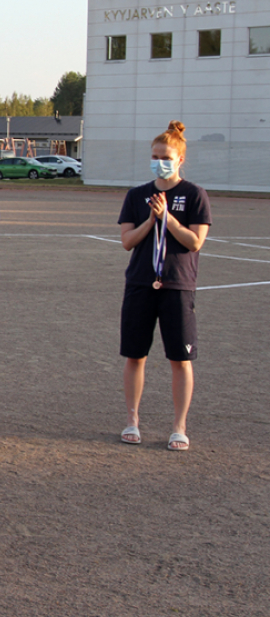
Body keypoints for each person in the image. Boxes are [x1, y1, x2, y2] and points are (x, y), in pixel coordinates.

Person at [117, 121, 211, 451]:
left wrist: (168, 218)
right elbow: (127, 241)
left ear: (180, 158)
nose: (160, 161)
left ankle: (179, 426)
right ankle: (132, 420)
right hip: (141, 284)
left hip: (177, 286)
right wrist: (151, 220)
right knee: (135, 355)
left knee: (180, 359)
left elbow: (195, 241)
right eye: (155, 156)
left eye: (166, 156)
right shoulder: (137, 195)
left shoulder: (195, 195)